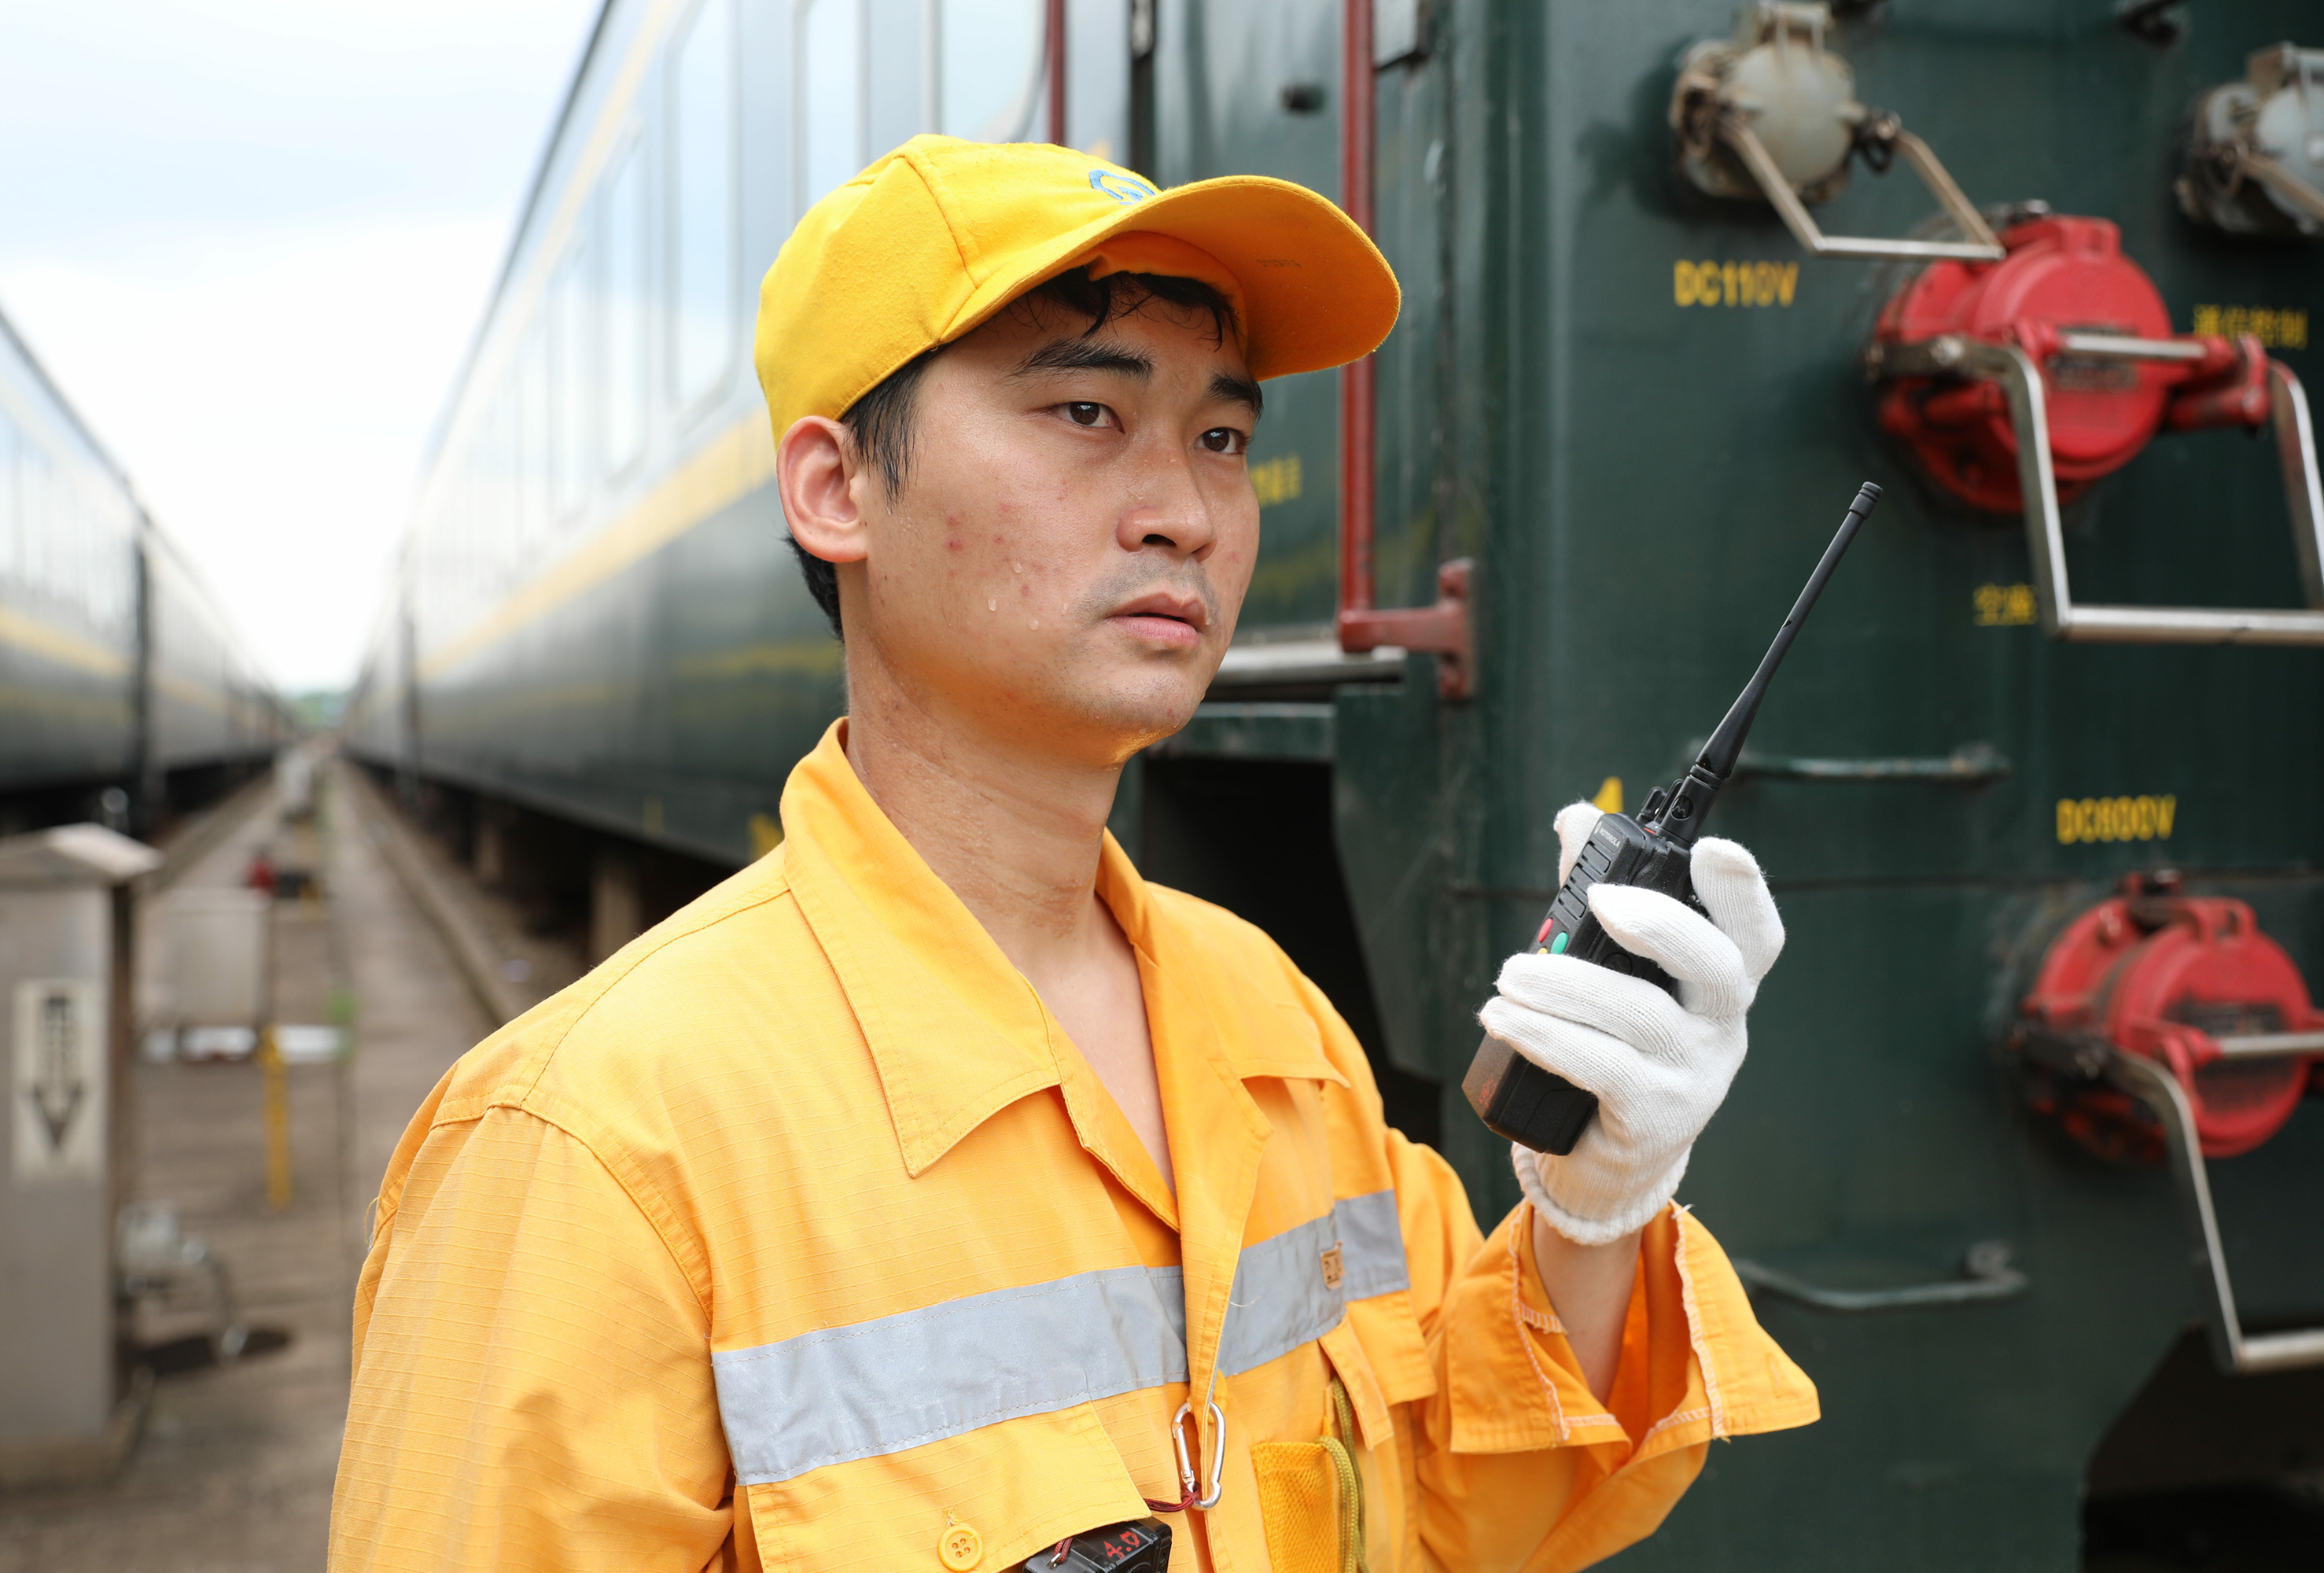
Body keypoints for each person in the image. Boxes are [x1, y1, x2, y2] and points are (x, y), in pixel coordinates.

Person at [329, 136, 1814, 1572]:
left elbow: (1444, 1517)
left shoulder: (1270, 1022)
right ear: (837, 489)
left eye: (1222, 437)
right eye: (1086, 415)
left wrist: (1597, 1213)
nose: (1187, 512)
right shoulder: (594, 1147)